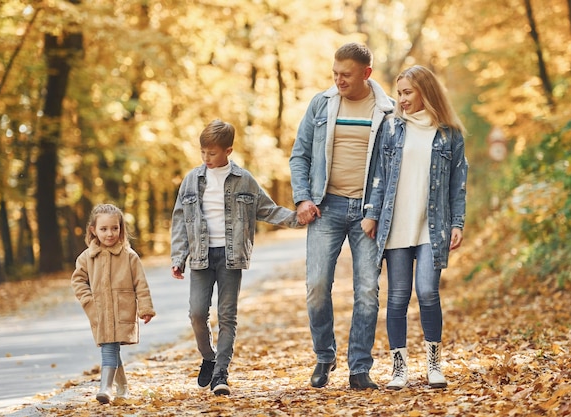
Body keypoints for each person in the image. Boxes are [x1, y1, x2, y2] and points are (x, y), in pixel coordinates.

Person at [289, 42, 395, 390]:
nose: (338, 80)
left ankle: (360, 367)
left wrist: (378, 211)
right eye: (335, 73)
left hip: (367, 213)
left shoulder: (386, 111)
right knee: (317, 287)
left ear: (367, 73)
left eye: (346, 75)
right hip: (325, 208)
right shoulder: (321, 104)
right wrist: (303, 198)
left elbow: (391, 168)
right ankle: (324, 356)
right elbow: (299, 154)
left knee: (367, 290)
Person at [170, 119, 304, 396]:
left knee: (227, 316)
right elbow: (180, 219)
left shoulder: (244, 180)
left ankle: (221, 373)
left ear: (228, 150)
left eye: (213, 153)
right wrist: (178, 256)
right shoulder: (192, 180)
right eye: (203, 152)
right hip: (200, 256)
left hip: (231, 258)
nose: (207, 158)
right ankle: (208, 357)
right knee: (197, 313)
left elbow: (268, 209)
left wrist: (297, 218)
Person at [361, 65, 468, 390]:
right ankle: (399, 369)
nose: (402, 99)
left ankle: (434, 364)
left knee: (426, 291)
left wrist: (457, 223)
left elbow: (458, 185)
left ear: (426, 92)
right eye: (400, 93)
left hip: (432, 225)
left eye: (408, 92)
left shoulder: (449, 134)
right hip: (396, 224)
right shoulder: (392, 129)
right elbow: (379, 176)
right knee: (397, 297)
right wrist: (372, 212)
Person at [71, 203, 156, 404]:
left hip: (122, 309)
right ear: (93, 230)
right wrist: (88, 301)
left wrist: (145, 308)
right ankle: (121, 387)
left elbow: (141, 284)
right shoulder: (86, 257)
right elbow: (78, 281)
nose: (110, 233)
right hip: (100, 310)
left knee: (110, 347)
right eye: (104, 229)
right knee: (110, 347)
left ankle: (106, 387)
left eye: (114, 228)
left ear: (121, 229)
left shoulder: (130, 256)